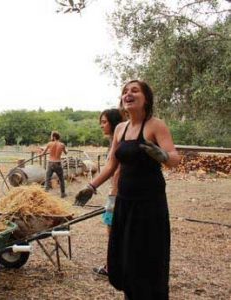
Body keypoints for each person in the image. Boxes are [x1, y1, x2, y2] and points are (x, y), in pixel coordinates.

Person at [75, 80, 180, 300]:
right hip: (124, 201)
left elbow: (175, 158)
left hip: (149, 204)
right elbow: (112, 165)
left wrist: (162, 156)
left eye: (134, 90)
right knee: (125, 257)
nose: (128, 94)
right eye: (125, 91)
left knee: (146, 257)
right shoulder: (121, 129)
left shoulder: (155, 125)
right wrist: (90, 186)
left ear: (146, 98)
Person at [93, 108, 124, 277]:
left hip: (118, 193)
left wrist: (113, 192)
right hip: (117, 192)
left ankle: (111, 267)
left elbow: (117, 169)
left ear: (113, 122)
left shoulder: (118, 141)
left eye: (104, 122)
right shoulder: (115, 140)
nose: (101, 125)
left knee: (112, 233)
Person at [42, 131, 68, 198]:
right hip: (58, 163)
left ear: (54, 137)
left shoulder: (49, 144)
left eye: (51, 136)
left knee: (47, 178)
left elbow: (43, 153)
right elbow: (66, 153)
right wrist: (66, 150)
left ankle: (45, 192)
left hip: (50, 163)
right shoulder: (62, 145)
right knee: (61, 179)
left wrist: (40, 153)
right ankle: (63, 194)